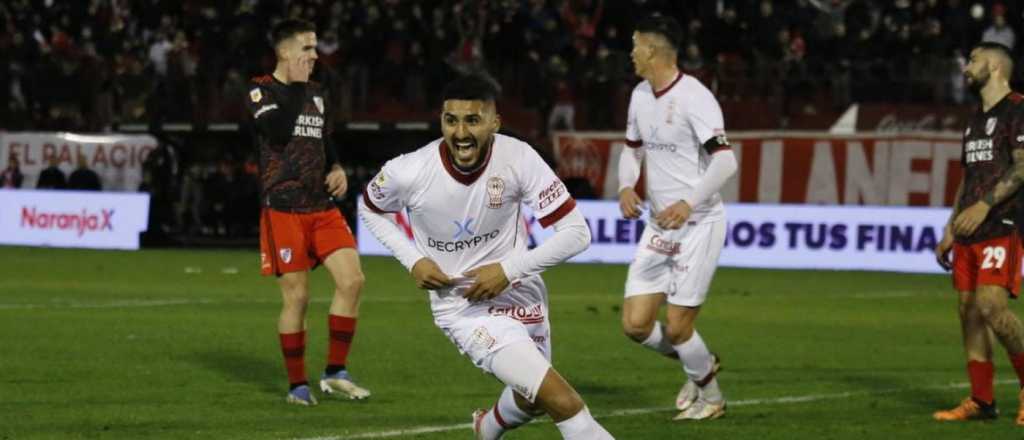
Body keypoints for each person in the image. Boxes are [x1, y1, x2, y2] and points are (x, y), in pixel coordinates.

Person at [359, 75, 615, 440]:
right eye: (451, 120)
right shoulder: (409, 170)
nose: (461, 132)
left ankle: (487, 428)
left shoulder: (519, 158)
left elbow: (577, 234)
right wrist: (412, 259)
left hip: (521, 291)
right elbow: (370, 208)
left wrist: (508, 272)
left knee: (531, 400)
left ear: (495, 121)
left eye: (473, 120)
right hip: (463, 307)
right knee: (564, 402)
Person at [616, 15, 738, 421]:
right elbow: (632, 149)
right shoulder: (639, 95)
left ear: (652, 51)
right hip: (657, 226)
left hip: (698, 224)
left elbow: (725, 163)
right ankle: (700, 363)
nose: (631, 53)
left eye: (635, 45)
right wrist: (625, 186)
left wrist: (688, 202)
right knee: (635, 325)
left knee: (679, 326)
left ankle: (713, 399)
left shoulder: (695, 97)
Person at [245, 18, 369, 406]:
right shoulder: (260, 90)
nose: (315, 56)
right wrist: (297, 87)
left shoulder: (316, 93)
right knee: (297, 299)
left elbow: (322, 139)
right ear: (284, 52)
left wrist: (336, 168)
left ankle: (335, 372)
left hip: (321, 206)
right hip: (283, 209)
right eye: (307, 48)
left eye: (315, 48)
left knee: (352, 281)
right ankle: (297, 386)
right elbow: (279, 133)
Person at [934, 42, 1024, 424]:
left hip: (1002, 222)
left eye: (972, 60)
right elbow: (968, 178)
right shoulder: (974, 119)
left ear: (994, 65)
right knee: (969, 312)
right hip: (970, 228)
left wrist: (985, 205)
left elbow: (1022, 168)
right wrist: (951, 226)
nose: (966, 67)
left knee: (992, 306)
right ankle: (982, 401)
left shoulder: (1018, 109)